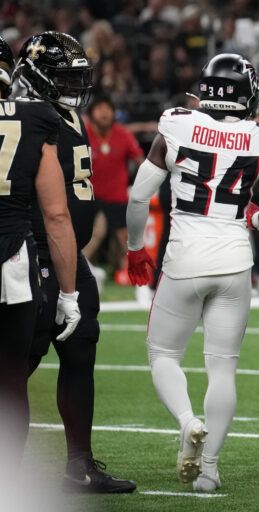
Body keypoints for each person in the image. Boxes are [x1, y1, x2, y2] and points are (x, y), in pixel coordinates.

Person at [126, 53, 259, 492]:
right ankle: (210, 470)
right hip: (235, 261)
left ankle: (187, 421)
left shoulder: (177, 124)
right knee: (223, 369)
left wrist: (135, 249)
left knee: (163, 355)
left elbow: (139, 197)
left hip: (185, 258)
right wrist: (251, 221)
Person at [16, 31, 136, 493]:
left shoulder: (67, 114)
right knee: (18, 364)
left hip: (70, 255)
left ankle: (79, 465)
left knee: (81, 351)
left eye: (77, 77)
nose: (73, 86)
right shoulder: (26, 117)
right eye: (63, 77)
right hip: (34, 254)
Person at [0, 35, 80, 467]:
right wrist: (68, 294)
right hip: (12, 262)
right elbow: (56, 215)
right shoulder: (35, 118)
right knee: (11, 381)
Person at [82, 96, 144, 282]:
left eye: (107, 109)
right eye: (99, 109)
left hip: (117, 197)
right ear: (91, 113)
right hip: (90, 196)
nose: (104, 113)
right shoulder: (83, 133)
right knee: (94, 234)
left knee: (125, 238)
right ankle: (79, 268)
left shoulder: (122, 134)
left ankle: (134, 273)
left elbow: (140, 161)